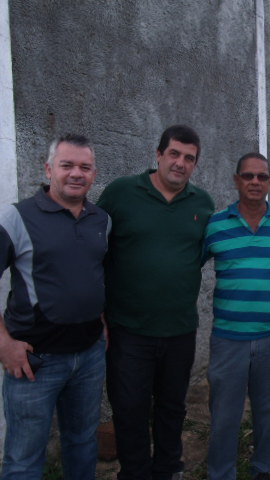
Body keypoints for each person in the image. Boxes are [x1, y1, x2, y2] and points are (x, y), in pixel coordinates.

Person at [98, 125, 215, 480]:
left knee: (172, 408)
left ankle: (168, 470)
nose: (180, 163)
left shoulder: (202, 203)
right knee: (129, 410)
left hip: (179, 329)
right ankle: (134, 473)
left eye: (189, 158)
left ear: (195, 164)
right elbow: (95, 250)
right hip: (128, 330)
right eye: (174, 154)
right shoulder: (120, 193)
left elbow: (196, 256)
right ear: (159, 154)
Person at [0, 134, 109, 479]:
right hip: (35, 361)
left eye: (85, 167)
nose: (76, 173)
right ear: (48, 170)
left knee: (82, 443)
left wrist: (101, 319)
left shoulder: (101, 221)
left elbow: (93, 274)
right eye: (67, 165)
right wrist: (3, 342)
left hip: (89, 356)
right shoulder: (17, 218)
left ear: (94, 175)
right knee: (23, 460)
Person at [204, 153, 270, 480]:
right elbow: (186, 266)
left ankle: (264, 466)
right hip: (228, 337)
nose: (255, 182)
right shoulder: (215, 225)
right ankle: (221, 472)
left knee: (266, 408)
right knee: (224, 413)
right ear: (236, 180)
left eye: (262, 176)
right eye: (248, 176)